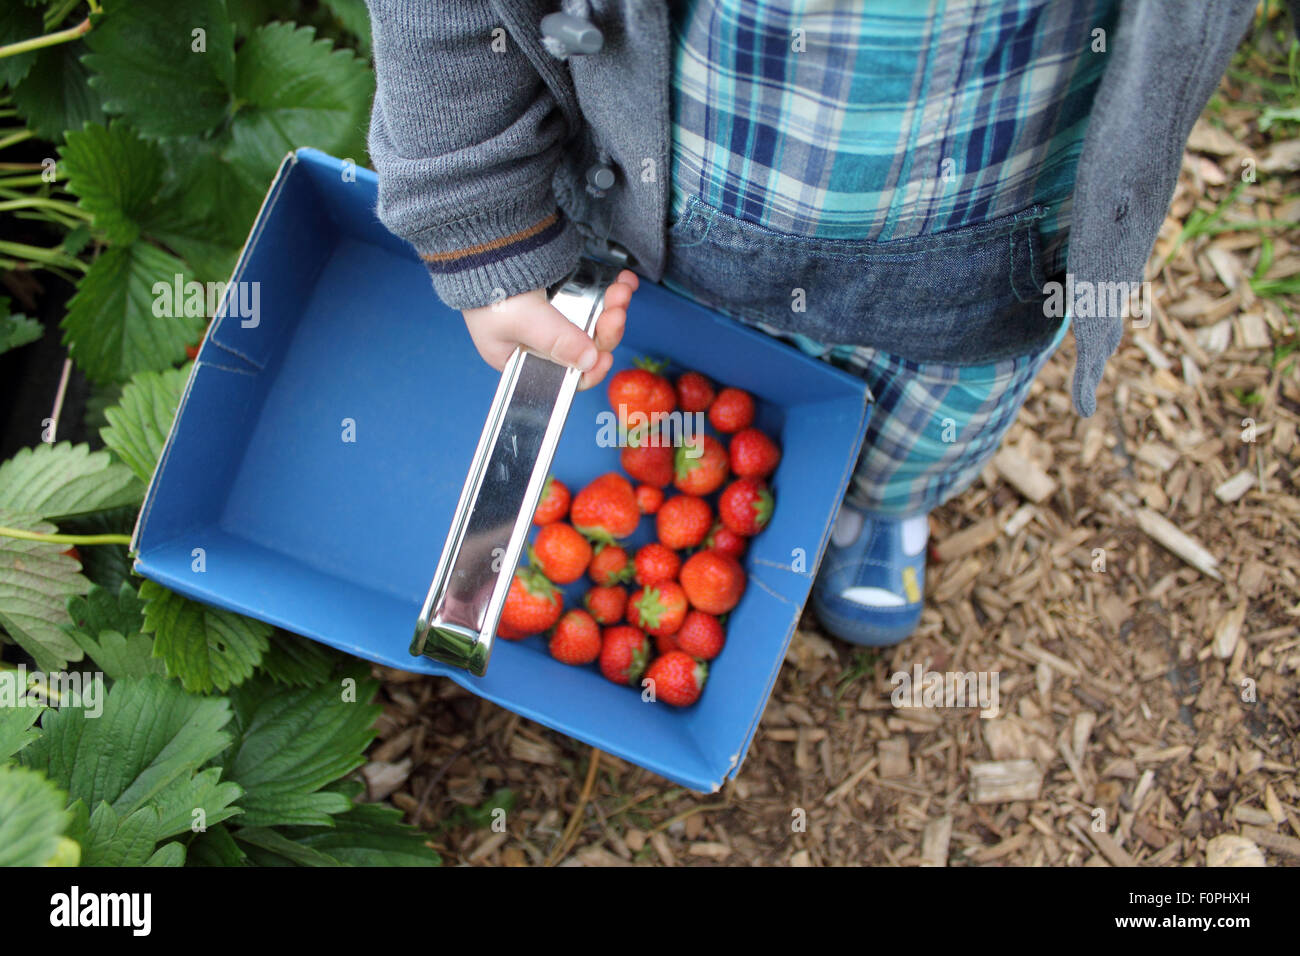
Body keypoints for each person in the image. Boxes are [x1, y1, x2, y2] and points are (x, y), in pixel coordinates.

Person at [361, 0, 1273, 646]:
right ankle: (835, 499)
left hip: (979, 272)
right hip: (670, 230)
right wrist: (478, 210)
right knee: (707, 384)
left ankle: (881, 507)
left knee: (921, 445)